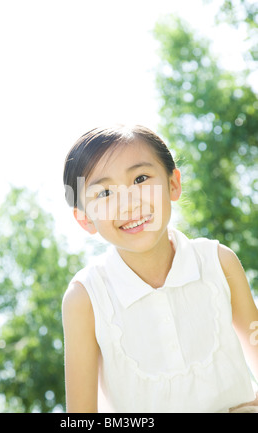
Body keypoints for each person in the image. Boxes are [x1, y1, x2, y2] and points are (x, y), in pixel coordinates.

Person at [62, 124, 258, 413]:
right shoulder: (86, 298)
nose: (128, 204)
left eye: (140, 178)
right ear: (85, 219)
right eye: (104, 194)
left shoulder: (218, 262)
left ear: (173, 184)